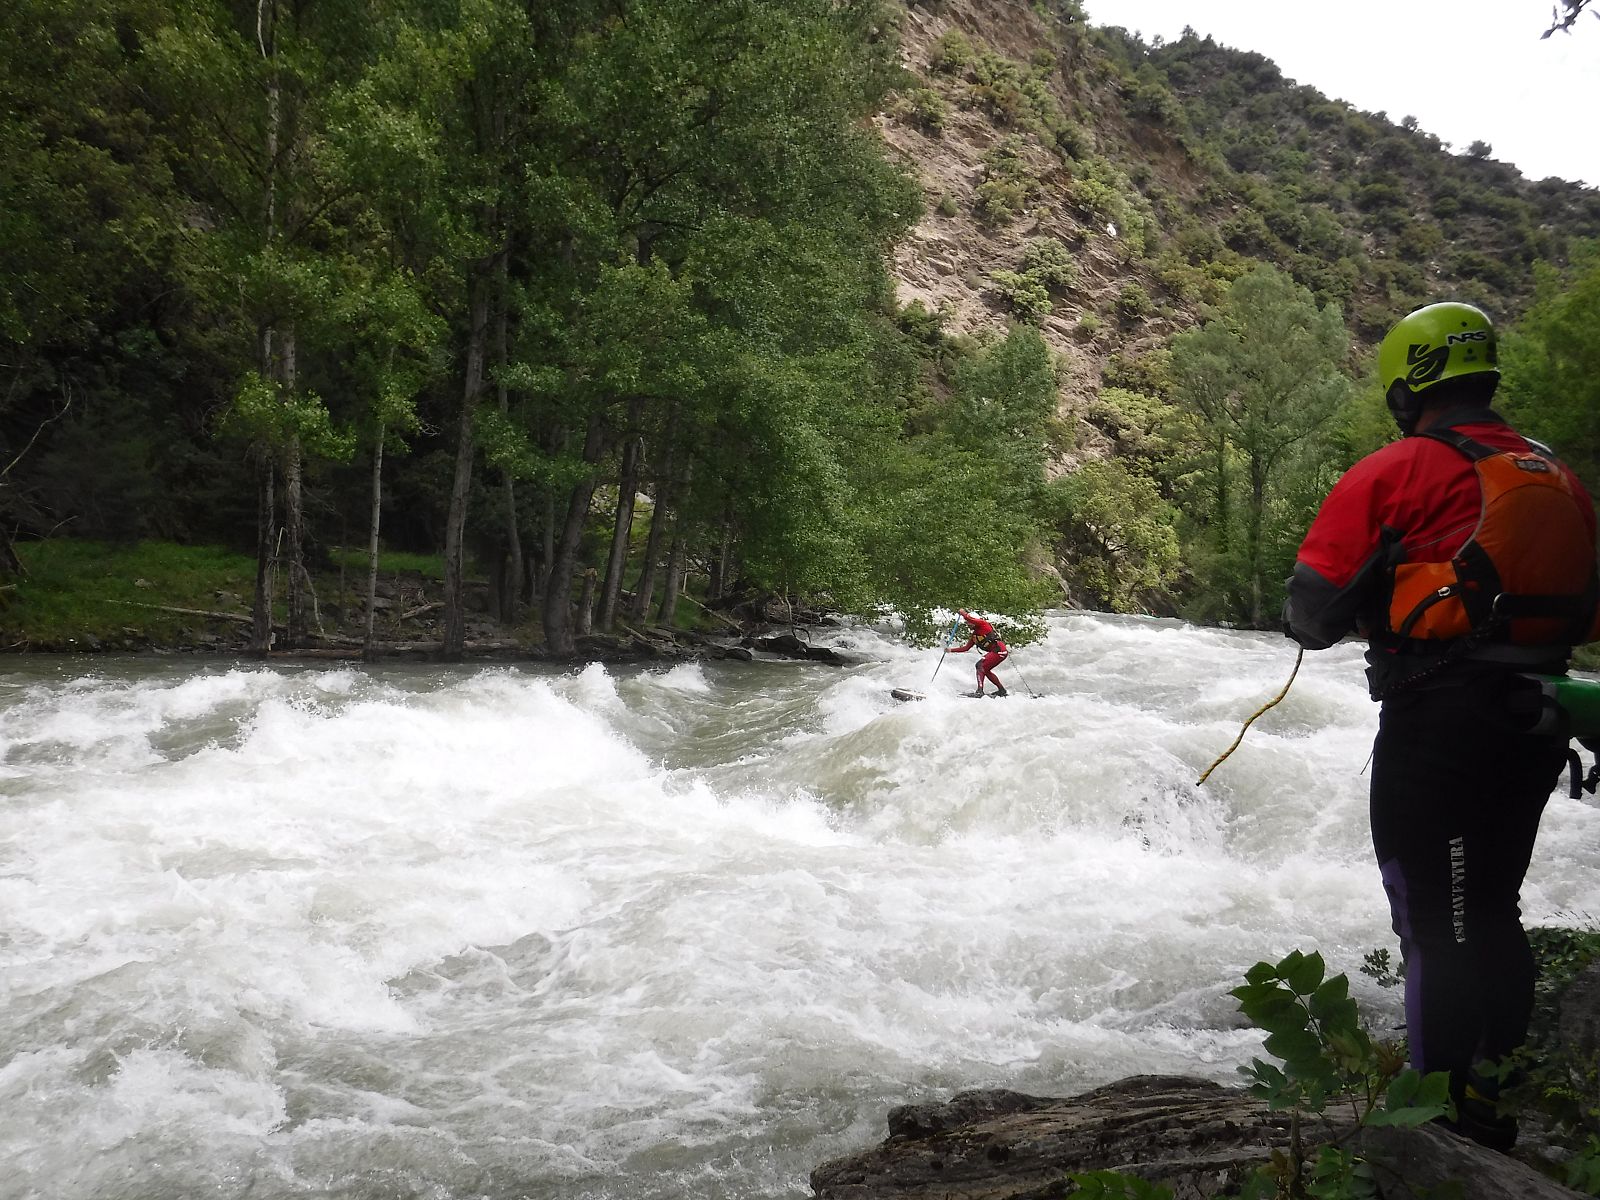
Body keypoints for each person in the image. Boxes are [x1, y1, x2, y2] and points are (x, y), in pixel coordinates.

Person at [1283, 301, 1600, 1151]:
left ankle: (1434, 1126)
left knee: (1434, 920)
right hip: (1536, 722)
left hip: (1442, 724)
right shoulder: (1557, 475)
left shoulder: (1401, 469)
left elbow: (1311, 612)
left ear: (1408, 383)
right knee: (1491, 908)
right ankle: (1488, 1101)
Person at [947, 609, 1009, 697]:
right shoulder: (974, 635)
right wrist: (950, 650)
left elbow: (970, 618)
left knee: (980, 665)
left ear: (974, 621)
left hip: (999, 651)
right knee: (985, 670)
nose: (967, 624)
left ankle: (979, 691)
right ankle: (1002, 690)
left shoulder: (983, 624)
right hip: (996, 652)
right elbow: (966, 648)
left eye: (969, 622)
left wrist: (963, 613)